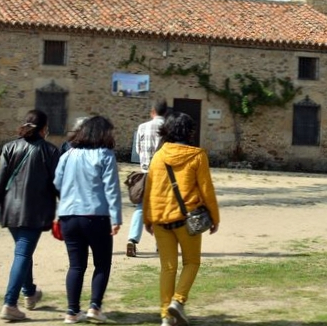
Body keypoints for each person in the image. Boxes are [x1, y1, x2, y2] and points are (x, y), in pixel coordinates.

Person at [0, 110, 62, 322]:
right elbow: (57, 185)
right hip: (34, 213)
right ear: (44, 129)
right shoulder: (50, 151)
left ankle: (29, 292)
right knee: (22, 254)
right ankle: (10, 303)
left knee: (23, 251)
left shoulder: (10, 147)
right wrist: (66, 207)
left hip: (10, 210)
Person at [143, 112, 220, 326]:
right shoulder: (197, 155)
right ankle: (178, 301)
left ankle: (165, 317)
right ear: (190, 132)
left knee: (168, 268)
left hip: (160, 220)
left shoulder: (158, 156)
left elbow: (149, 189)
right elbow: (207, 189)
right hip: (187, 220)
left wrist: (147, 218)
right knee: (192, 262)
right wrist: (214, 217)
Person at [54, 115, 123, 324]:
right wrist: (116, 217)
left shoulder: (68, 155)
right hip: (96, 216)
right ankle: (95, 306)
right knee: (102, 263)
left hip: (68, 216)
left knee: (76, 266)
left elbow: (56, 183)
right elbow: (112, 188)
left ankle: (72, 311)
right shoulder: (105, 155)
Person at [128, 98, 168, 257]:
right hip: (163, 174)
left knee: (140, 208)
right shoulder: (168, 129)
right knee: (162, 209)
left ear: (152, 112)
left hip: (145, 173)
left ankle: (132, 239)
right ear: (166, 112)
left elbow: (138, 150)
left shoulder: (142, 127)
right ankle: (160, 243)